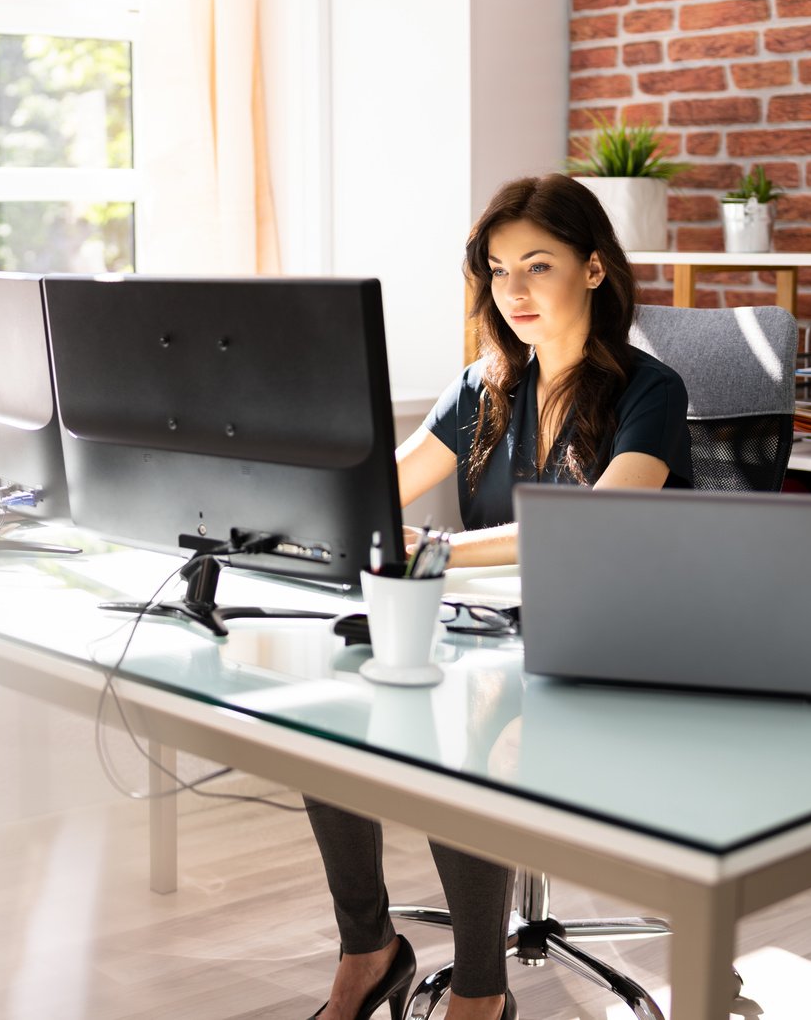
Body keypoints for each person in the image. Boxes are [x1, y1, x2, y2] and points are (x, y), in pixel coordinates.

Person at [301, 172, 693, 1020]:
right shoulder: (484, 387)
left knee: (460, 724)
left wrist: (435, 547)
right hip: (490, 632)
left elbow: (595, 524)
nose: (512, 290)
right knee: (322, 706)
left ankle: (480, 994)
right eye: (497, 268)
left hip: (610, 644)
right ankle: (368, 950)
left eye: (537, 265)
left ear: (594, 269)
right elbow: (379, 487)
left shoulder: (650, 392)